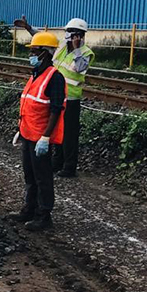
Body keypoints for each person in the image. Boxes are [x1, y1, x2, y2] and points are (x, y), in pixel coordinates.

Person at [13, 16, 94, 177]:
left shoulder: (85, 53)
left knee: (69, 135)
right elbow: (45, 43)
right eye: (68, 31)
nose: (68, 34)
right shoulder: (62, 47)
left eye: (71, 32)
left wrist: (77, 48)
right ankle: (57, 163)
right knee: (58, 130)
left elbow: (79, 68)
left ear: (80, 35)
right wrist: (29, 28)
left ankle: (69, 167)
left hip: (71, 99)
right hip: (56, 95)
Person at [10, 31, 66, 231]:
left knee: (42, 177)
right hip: (27, 134)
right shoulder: (35, 75)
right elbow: (30, 104)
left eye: (34, 51)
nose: (31, 55)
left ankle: (44, 216)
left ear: (45, 53)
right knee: (29, 175)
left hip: (40, 137)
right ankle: (29, 209)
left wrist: (45, 137)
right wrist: (21, 129)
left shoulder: (55, 77)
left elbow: (56, 109)